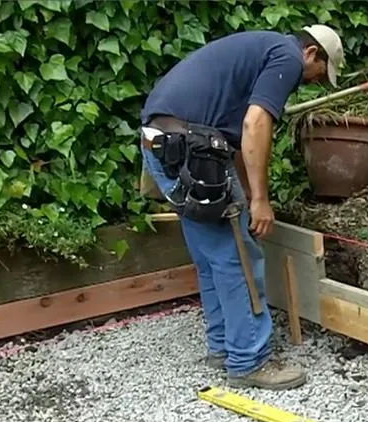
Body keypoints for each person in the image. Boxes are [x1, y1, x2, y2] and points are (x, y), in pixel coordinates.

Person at [136, 25, 344, 390]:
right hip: (193, 150)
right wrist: (260, 201)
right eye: (317, 75)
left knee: (211, 255)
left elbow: (233, 138)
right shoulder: (286, 57)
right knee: (237, 258)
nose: (311, 83)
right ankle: (249, 360)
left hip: (164, 144)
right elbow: (255, 124)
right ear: (311, 53)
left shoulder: (255, 49)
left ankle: (223, 346)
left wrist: (248, 195)